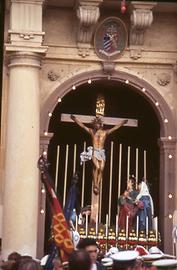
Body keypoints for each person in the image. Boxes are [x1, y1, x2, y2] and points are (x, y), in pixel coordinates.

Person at [71, 114, 127, 195]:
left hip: (101, 152)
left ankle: (97, 183)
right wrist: (75, 119)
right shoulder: (92, 132)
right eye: (95, 124)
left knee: (101, 169)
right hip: (95, 151)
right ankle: (95, 184)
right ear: (94, 125)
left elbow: (114, 128)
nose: (96, 125)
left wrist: (122, 123)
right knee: (96, 167)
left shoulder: (105, 132)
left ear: (100, 125)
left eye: (98, 124)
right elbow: (83, 126)